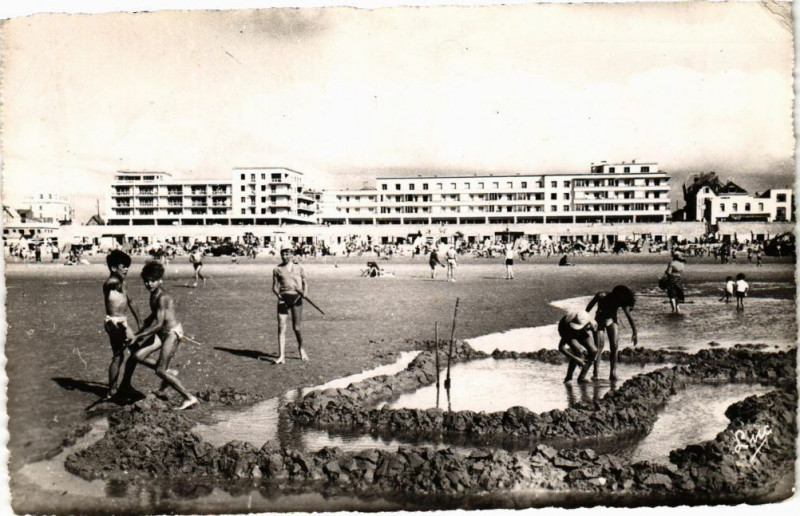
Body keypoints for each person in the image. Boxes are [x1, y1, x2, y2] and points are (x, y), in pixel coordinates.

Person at [128, 261, 199, 410]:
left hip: (172, 334)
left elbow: (159, 324)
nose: (149, 284)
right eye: (146, 281)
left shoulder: (162, 297)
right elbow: (152, 317)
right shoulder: (153, 295)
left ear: (160, 280)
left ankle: (189, 397)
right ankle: (169, 372)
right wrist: (139, 332)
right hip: (162, 333)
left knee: (159, 370)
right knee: (137, 355)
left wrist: (139, 335)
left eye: (152, 281)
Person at [103, 250, 141, 399]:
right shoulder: (110, 283)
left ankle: (123, 385)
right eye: (123, 266)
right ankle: (113, 390)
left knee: (134, 353)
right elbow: (109, 283)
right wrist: (116, 280)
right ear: (113, 268)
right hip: (113, 323)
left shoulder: (123, 283)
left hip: (123, 322)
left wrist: (139, 321)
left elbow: (130, 302)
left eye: (127, 266)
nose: (126, 269)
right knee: (119, 356)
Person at [585, 285, 638, 381]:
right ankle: (595, 373)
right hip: (599, 320)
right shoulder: (601, 295)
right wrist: (586, 321)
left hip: (612, 320)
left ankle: (613, 373)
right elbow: (588, 309)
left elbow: (629, 317)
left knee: (614, 346)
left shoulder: (621, 300)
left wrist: (635, 333)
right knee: (599, 347)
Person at [272, 243, 308, 364]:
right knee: (281, 327)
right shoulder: (277, 269)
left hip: (297, 299)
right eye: (282, 253)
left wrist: (305, 293)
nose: (284, 256)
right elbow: (274, 287)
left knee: (296, 328)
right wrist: (278, 295)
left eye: (287, 253)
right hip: (283, 299)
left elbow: (305, 283)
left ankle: (301, 349)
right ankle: (281, 356)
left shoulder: (299, 267)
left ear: (292, 255)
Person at [557, 311, 597, 383]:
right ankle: (568, 378)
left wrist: (593, 356)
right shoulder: (568, 326)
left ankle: (582, 377)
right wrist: (577, 359)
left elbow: (594, 337)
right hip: (565, 329)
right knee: (578, 351)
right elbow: (561, 347)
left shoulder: (592, 324)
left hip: (582, 330)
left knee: (594, 350)